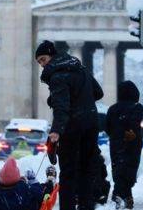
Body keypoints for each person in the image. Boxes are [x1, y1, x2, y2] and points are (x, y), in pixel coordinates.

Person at [35, 40, 103, 210]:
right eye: (39, 62)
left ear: (52, 55)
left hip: (72, 127)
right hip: (91, 124)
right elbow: (98, 92)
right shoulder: (80, 69)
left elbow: (62, 107)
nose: (42, 65)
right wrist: (81, 100)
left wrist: (56, 131)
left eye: (43, 59)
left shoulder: (57, 76)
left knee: (68, 173)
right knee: (87, 171)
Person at [106, 80, 143, 209]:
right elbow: (135, 121)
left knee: (118, 170)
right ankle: (118, 195)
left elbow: (107, 126)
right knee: (129, 170)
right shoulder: (137, 107)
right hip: (132, 143)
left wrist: (116, 134)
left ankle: (126, 197)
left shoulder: (112, 109)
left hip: (116, 144)